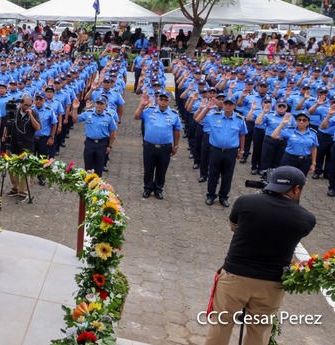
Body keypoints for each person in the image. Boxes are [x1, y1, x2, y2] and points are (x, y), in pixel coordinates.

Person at [204, 166, 316, 345]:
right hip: (271, 285)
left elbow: (234, 227)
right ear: (296, 189)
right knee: (259, 331)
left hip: (235, 277)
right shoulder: (307, 218)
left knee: (220, 326)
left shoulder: (244, 202)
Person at [193, 95, 248, 208]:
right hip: (216, 151)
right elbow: (197, 119)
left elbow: (242, 135)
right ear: (222, 105)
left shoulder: (239, 119)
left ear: (234, 106)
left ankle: (223, 197)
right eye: (225, 104)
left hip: (231, 152)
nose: (227, 106)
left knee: (227, 175)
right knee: (213, 174)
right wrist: (207, 108)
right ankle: (211, 195)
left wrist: (241, 150)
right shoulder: (213, 116)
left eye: (230, 104)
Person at [134, 91, 182, 200]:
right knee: (148, 168)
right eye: (161, 99)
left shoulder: (173, 114)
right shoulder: (148, 111)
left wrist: (176, 145)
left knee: (162, 169)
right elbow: (136, 116)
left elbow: (177, 131)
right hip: (149, 146)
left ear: (169, 101)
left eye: (166, 100)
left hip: (165, 147)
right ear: (157, 100)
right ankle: (147, 188)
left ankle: (158, 189)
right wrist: (141, 106)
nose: (163, 102)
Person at [70, 95, 117, 177]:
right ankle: (87, 185)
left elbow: (113, 131)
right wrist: (75, 109)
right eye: (97, 103)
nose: (99, 106)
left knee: (99, 167)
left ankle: (97, 186)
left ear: (105, 106)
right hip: (89, 143)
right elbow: (75, 119)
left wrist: (110, 145)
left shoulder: (109, 117)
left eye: (101, 104)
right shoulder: (88, 113)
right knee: (88, 167)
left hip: (102, 144)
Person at [8, 93, 41, 198]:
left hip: (27, 144)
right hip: (14, 144)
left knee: (24, 169)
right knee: (12, 169)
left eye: (29, 105)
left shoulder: (34, 114)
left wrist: (30, 115)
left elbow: (38, 128)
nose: (27, 107)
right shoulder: (15, 112)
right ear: (21, 103)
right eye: (26, 105)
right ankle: (15, 188)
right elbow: (7, 124)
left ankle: (23, 191)